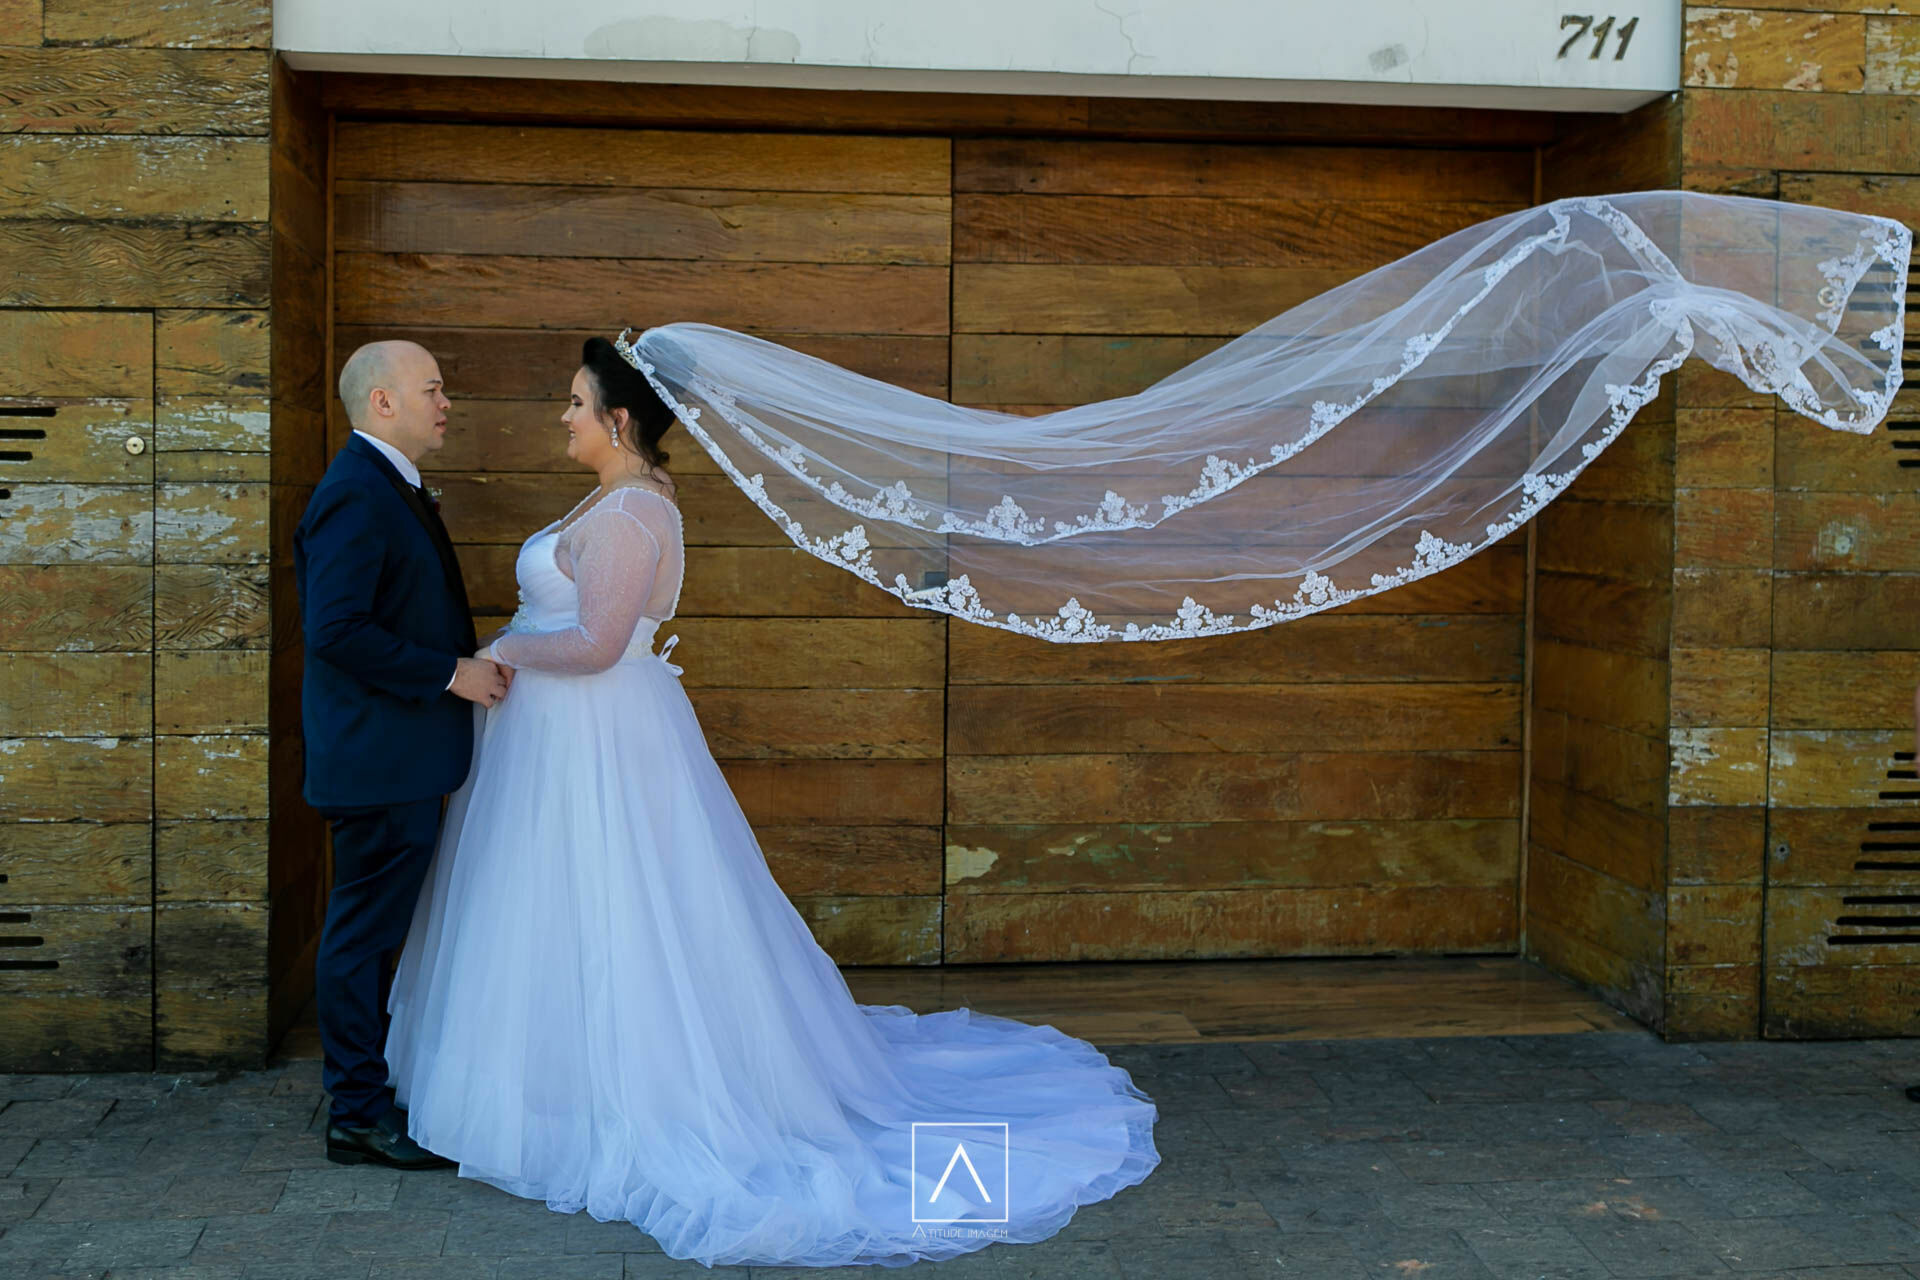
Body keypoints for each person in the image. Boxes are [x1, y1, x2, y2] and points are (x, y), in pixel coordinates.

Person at [382, 336, 1160, 1268]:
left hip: (599, 741)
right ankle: (560, 1082)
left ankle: (630, 1096)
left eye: (578, 402)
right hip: (565, 743)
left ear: (619, 420)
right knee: (566, 911)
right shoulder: (614, 498)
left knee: (624, 908)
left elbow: (593, 645)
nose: (565, 415)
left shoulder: (633, 511)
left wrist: (501, 656)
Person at [293, 339, 511, 1170]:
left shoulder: (386, 485)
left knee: (376, 931)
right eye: (433, 389)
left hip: (397, 757)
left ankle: (369, 1090)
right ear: (383, 403)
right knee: (361, 935)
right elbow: (337, 631)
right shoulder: (356, 493)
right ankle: (353, 1112)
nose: (445, 401)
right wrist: (450, 673)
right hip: (377, 760)